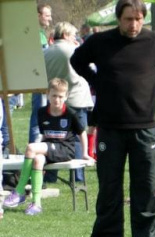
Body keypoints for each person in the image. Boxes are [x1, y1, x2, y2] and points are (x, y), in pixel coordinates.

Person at [70, 0, 155, 237]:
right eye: (128, 19)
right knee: (109, 191)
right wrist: (96, 80)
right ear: (118, 19)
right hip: (109, 128)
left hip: (144, 128)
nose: (133, 24)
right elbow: (77, 60)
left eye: (138, 19)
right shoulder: (100, 42)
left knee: (147, 189)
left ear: (144, 18)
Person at [3, 78, 91, 216]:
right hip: (50, 148)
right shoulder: (42, 112)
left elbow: (82, 133)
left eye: (60, 96)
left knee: (32, 148)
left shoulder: (70, 113)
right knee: (37, 159)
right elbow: (45, 135)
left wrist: (85, 153)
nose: (57, 99)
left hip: (64, 149)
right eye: (54, 95)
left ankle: (19, 190)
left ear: (66, 96)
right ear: (48, 94)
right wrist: (40, 147)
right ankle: (36, 204)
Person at [44, 22, 94, 182]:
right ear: (66, 35)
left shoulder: (46, 52)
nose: (75, 38)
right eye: (73, 35)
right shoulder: (73, 50)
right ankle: (78, 175)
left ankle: (51, 175)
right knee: (78, 137)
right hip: (75, 97)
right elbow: (91, 66)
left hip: (54, 99)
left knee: (53, 137)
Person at [30, 4, 52, 144]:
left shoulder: (42, 34)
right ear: (38, 15)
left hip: (46, 80)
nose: (50, 19)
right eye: (47, 15)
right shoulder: (33, 33)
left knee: (45, 117)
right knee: (38, 117)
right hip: (39, 81)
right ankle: (33, 150)